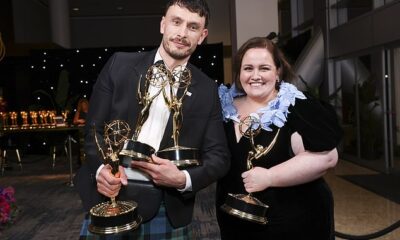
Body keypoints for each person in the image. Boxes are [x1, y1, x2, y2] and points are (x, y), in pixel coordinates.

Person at [73, 0, 230, 239]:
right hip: (110, 196)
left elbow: (219, 157)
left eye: (193, 26)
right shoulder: (119, 65)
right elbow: (94, 130)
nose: (182, 33)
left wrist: (183, 179)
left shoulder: (207, 89)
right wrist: (100, 170)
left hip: (167, 207)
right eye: (176, 22)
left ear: (202, 36)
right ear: (163, 24)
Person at [216, 37, 343, 239]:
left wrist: (269, 177)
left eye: (264, 68)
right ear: (239, 72)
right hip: (235, 220)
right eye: (248, 68)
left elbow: (327, 157)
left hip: (294, 222)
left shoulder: (297, 106)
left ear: (278, 72)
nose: (255, 75)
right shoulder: (223, 107)